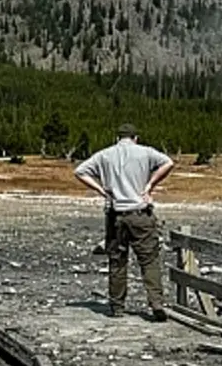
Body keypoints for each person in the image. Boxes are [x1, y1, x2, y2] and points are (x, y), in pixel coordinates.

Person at [74, 123, 176, 321]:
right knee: (149, 260)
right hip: (140, 213)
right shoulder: (145, 152)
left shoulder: (104, 155)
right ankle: (156, 303)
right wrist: (149, 186)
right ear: (135, 137)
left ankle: (117, 306)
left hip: (115, 213)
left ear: (117, 138)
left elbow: (80, 171)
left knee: (117, 261)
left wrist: (101, 190)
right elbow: (168, 163)